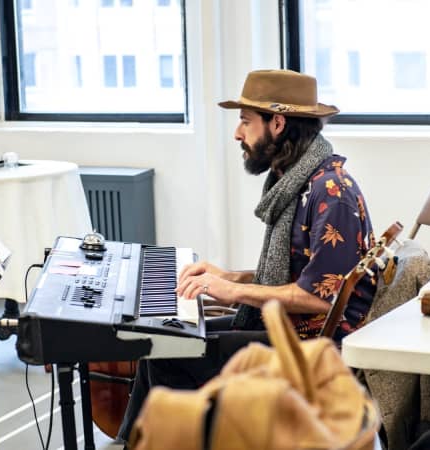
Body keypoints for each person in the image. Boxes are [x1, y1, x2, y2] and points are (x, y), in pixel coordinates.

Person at [117, 69, 377, 442]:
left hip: (312, 347)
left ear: (278, 123)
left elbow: (318, 298)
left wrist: (234, 292)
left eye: (244, 121)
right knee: (164, 338)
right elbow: (300, 272)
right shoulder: (297, 181)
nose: (238, 133)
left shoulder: (330, 193)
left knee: (171, 353)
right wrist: (231, 277)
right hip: (289, 327)